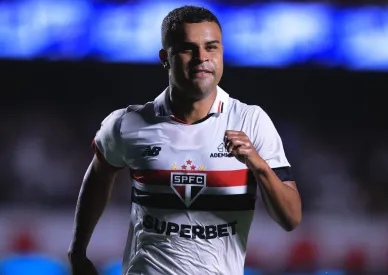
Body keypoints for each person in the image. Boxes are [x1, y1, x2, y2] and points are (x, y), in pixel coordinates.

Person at [68, 5, 302, 275]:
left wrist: (258, 164)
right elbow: (99, 175)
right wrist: (78, 250)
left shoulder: (251, 121)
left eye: (211, 47)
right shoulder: (127, 124)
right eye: (188, 48)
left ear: (222, 53)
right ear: (165, 58)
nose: (202, 57)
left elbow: (291, 218)